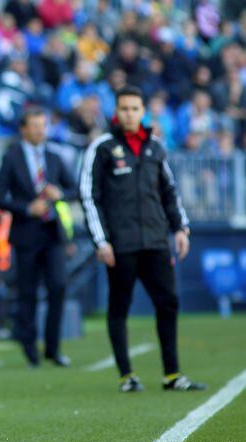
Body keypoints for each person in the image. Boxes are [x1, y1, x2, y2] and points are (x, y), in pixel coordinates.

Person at [79, 86, 206, 393]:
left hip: (155, 239)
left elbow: (169, 191)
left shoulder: (155, 146)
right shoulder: (103, 147)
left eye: (135, 109)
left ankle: (172, 374)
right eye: (124, 109)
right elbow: (89, 195)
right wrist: (101, 241)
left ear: (143, 112)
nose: (129, 114)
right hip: (120, 244)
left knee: (169, 302)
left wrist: (180, 228)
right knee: (119, 306)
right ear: (116, 112)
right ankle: (127, 376)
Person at [0, 107, 77, 368]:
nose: (41, 130)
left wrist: (59, 194)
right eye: (36, 126)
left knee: (58, 286)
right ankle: (30, 349)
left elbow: (74, 188)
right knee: (27, 292)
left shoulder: (54, 157)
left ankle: (53, 348)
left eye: (44, 125)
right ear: (23, 129)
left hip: (52, 234)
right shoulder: (12, 157)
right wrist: (27, 208)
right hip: (26, 235)